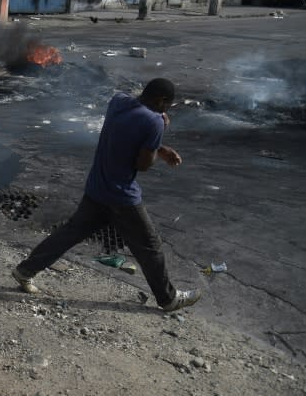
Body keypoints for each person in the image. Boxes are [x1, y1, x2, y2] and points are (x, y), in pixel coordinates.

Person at [11, 78, 201, 312]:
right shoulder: (154, 122)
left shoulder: (118, 101)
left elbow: (127, 133)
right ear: (161, 100)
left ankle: (25, 270)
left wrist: (159, 146)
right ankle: (168, 299)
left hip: (97, 187)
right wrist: (159, 136)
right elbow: (143, 164)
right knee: (150, 246)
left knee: (69, 234)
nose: (166, 111)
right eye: (167, 106)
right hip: (121, 196)